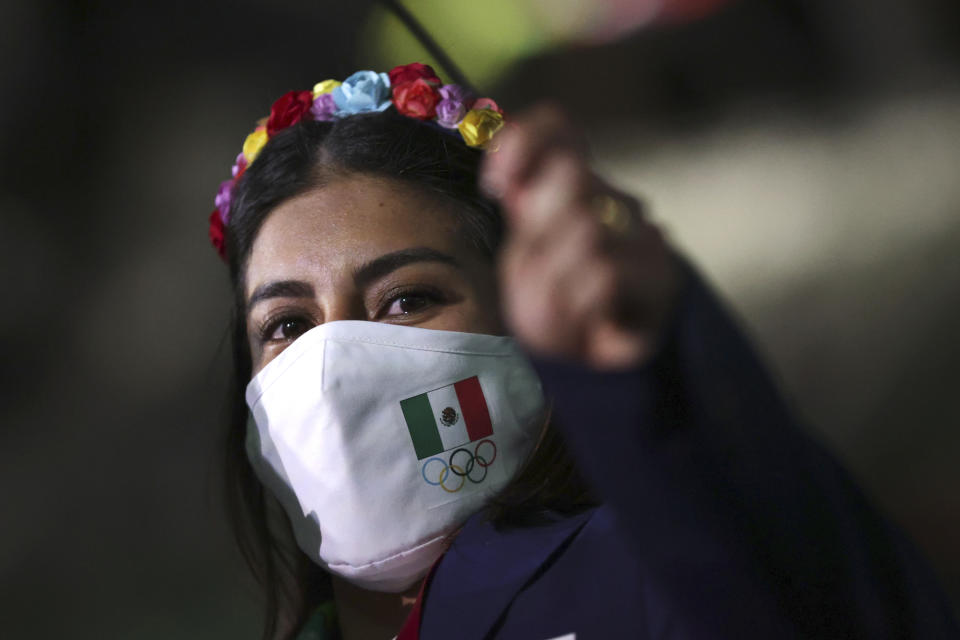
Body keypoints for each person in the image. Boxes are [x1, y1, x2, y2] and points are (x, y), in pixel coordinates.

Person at [209, 64, 959, 640]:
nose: (334, 366)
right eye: (285, 325)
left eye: (407, 299)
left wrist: (658, 370)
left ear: (527, 310)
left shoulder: (655, 572)